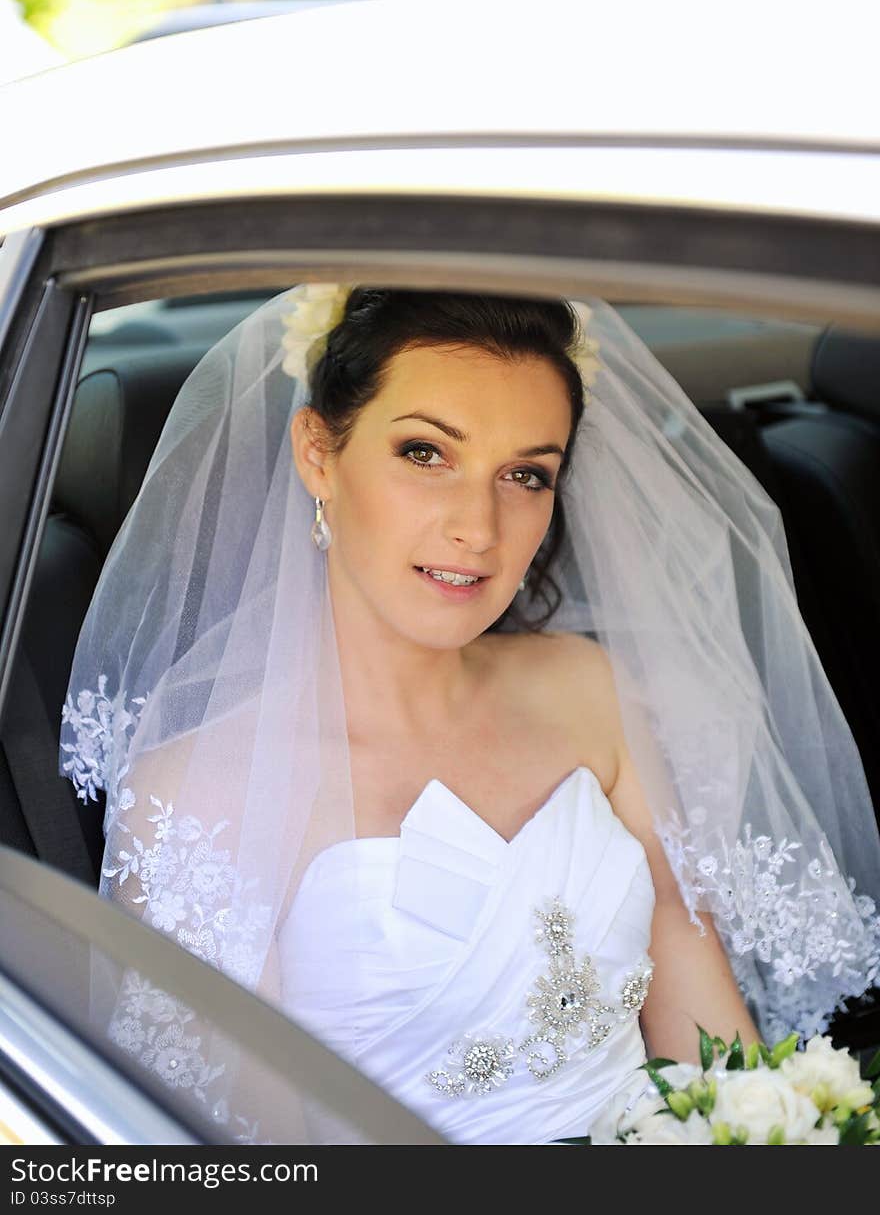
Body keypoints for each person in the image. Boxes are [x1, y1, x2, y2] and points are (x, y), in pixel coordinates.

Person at [59, 285, 880, 1144]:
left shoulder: (590, 691)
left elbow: (688, 971)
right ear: (317, 454)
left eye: (526, 474)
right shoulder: (198, 790)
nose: (479, 528)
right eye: (425, 453)